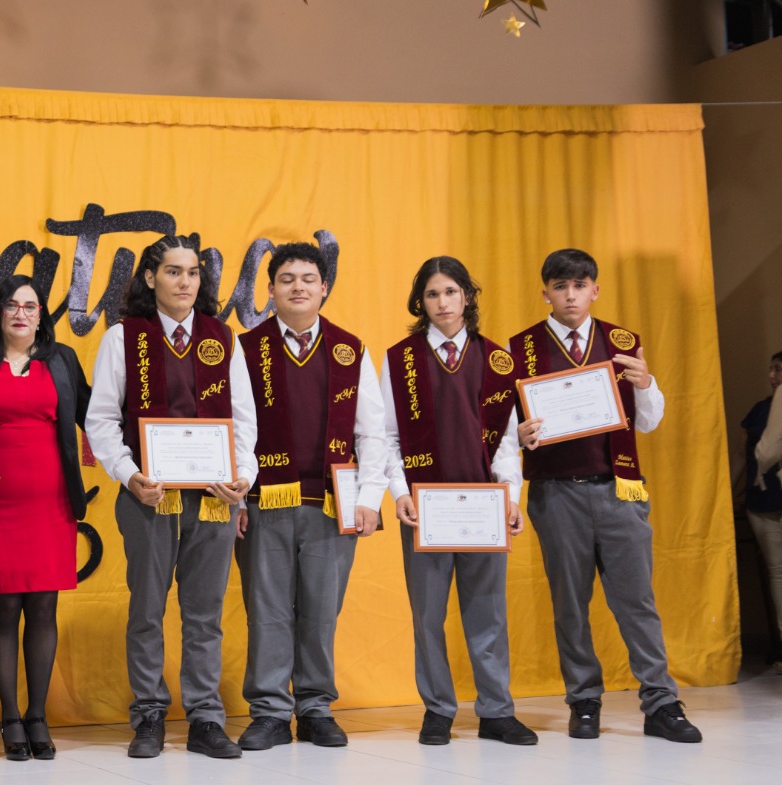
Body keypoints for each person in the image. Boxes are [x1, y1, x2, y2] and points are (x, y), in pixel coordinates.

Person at [514, 248, 701, 742]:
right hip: (556, 493)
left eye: (580, 285)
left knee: (636, 600)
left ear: (595, 289)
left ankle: (661, 702)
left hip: (618, 490)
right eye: (561, 286)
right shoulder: (520, 348)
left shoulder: (622, 342)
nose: (570, 295)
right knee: (570, 603)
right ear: (546, 293)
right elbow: (505, 428)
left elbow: (649, 420)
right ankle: (584, 702)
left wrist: (645, 384)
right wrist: (521, 435)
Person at [85, 235, 256, 760]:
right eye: (174, 272)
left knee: (204, 612)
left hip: (212, 497)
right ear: (151, 278)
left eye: (193, 273)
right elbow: (102, 421)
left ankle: (205, 717)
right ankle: (150, 715)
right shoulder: (123, 337)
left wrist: (243, 475)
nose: (185, 282)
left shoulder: (223, 339)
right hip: (149, 496)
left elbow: (245, 421)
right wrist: (130, 474)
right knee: (148, 608)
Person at [234, 241, 385, 752]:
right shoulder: (244, 348)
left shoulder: (350, 349)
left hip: (331, 502)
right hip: (264, 501)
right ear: (271, 288)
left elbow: (372, 432)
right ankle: (270, 710)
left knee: (322, 608)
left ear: (324, 287)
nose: (297, 287)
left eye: (307, 279)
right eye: (286, 279)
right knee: (268, 608)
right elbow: (234, 428)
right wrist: (236, 499)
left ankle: (316, 706)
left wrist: (371, 497)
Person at [380, 257, 536, 746]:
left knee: (487, 609)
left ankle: (496, 711)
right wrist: (400, 493)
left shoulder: (497, 360)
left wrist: (511, 496)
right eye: (432, 294)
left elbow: (509, 441)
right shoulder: (400, 359)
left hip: (482, 504)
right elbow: (386, 436)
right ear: (420, 302)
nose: (442, 302)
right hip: (424, 506)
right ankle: (438, 709)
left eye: (451, 292)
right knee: (427, 613)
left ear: (467, 296)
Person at [0, 275, 92, 761]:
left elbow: (96, 416)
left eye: (31, 307)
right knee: (4, 608)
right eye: (11, 305)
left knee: (44, 608)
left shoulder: (62, 359)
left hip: (51, 503)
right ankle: (9, 715)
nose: (21, 314)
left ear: (41, 315)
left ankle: (38, 715)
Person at [741, 351, 782, 665]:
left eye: (778, 369)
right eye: (771, 368)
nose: (772, 375)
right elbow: (747, 457)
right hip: (764, 501)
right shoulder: (761, 409)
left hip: (768, 493)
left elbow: (763, 453)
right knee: (777, 574)